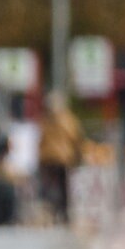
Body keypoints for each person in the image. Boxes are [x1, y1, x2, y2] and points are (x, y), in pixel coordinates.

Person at [36, 92, 83, 224]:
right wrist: (77, 154)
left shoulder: (46, 120)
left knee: (49, 186)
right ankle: (63, 214)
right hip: (63, 157)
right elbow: (75, 137)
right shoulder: (68, 119)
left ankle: (50, 213)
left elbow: (41, 138)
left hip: (47, 158)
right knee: (63, 187)